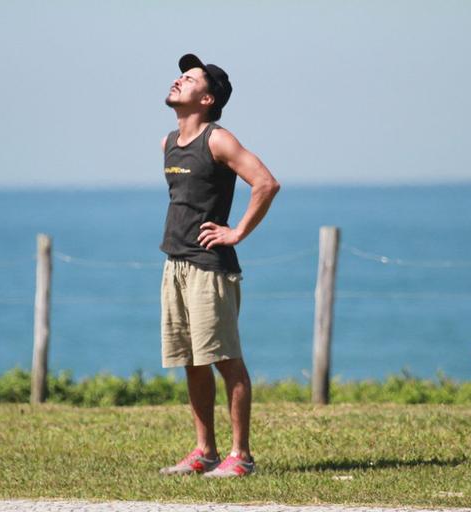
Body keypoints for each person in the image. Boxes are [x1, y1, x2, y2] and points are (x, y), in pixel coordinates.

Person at [158, 53, 280, 478]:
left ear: (207, 98)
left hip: (211, 267)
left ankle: (241, 456)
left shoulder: (218, 140)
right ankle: (204, 452)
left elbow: (266, 182)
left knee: (226, 358)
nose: (178, 80)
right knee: (191, 360)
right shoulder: (168, 142)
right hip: (175, 263)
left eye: (189, 78)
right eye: (180, 75)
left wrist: (236, 232)